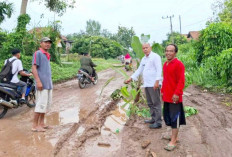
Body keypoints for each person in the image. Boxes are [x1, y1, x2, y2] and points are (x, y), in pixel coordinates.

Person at [125, 43, 162, 129]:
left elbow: (159, 69)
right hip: (147, 84)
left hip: (154, 84)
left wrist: (157, 81)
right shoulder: (144, 59)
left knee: (156, 103)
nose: (145, 49)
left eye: (147, 47)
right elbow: (139, 70)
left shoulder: (155, 57)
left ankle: (158, 122)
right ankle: (153, 118)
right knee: (150, 103)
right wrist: (131, 78)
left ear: (150, 48)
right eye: (143, 48)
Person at [161, 44, 186, 151]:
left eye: (171, 51)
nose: (168, 53)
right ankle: (173, 136)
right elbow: (165, 80)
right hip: (166, 96)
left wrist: (176, 93)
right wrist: (162, 91)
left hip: (174, 97)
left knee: (175, 118)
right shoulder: (165, 64)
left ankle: (174, 140)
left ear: (175, 53)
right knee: (169, 117)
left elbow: (181, 81)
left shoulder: (179, 64)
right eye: (167, 51)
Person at [31, 37, 53, 132]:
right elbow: (34, 68)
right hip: (42, 85)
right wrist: (38, 81)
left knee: (45, 105)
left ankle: (42, 123)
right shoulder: (38, 53)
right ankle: (34, 126)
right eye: (45, 42)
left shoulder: (47, 55)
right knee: (40, 105)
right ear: (41, 43)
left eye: (49, 43)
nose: (47, 44)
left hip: (48, 84)